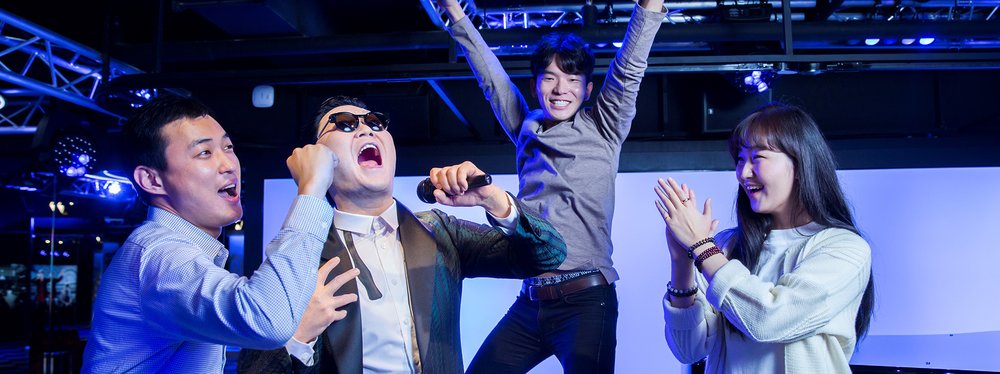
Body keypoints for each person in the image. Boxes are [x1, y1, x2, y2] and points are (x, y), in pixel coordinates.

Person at [237, 95, 567, 373]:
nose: (366, 128)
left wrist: (493, 199)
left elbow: (549, 255)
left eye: (375, 122)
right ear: (316, 156)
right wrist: (298, 337)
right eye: (345, 124)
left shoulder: (439, 231)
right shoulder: (298, 259)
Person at [438, 0, 667, 372]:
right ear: (535, 86)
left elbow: (629, 66)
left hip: (586, 301)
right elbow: (491, 79)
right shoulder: (526, 127)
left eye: (572, 80)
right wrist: (455, 12)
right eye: (550, 77)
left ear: (587, 89)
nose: (561, 89)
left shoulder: (604, 127)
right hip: (530, 301)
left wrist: (649, 5)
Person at [82, 96, 359, 373]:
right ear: (152, 180)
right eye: (204, 153)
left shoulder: (180, 251)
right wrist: (312, 189)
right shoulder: (160, 255)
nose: (228, 164)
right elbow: (267, 320)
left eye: (228, 147)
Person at [656, 103, 875, 372]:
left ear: (800, 163)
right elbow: (688, 350)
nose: (743, 173)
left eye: (757, 157)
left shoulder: (845, 248)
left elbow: (770, 320)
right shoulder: (725, 246)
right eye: (740, 158)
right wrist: (682, 262)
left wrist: (701, 248)